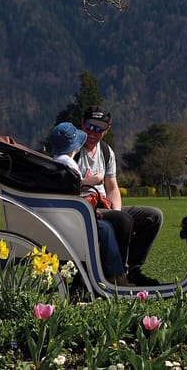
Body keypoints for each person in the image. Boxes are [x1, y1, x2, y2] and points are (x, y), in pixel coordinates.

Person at [75, 106, 164, 286]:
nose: (93, 132)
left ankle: (133, 270)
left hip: (103, 205)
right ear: (82, 123)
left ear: (107, 129)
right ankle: (117, 275)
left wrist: (115, 211)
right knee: (122, 219)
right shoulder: (73, 150)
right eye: (90, 126)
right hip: (83, 208)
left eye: (99, 128)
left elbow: (112, 187)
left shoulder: (106, 152)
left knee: (153, 216)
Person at [49, 122, 131, 286]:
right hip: (72, 217)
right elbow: (74, 194)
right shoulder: (68, 165)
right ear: (75, 147)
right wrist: (94, 181)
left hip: (61, 213)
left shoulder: (56, 162)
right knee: (105, 229)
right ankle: (116, 276)